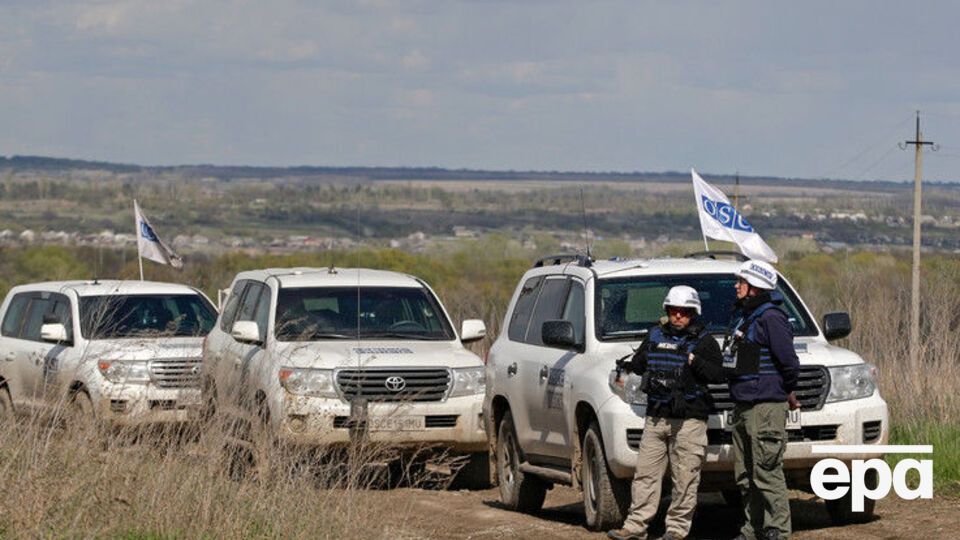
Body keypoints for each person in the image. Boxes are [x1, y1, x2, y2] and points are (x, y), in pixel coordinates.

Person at [608, 285, 726, 540]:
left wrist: (694, 360)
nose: (678, 316)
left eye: (684, 312)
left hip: (690, 421)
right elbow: (639, 365)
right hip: (656, 417)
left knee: (684, 479)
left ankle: (676, 530)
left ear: (693, 312)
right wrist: (626, 368)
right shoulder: (654, 335)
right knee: (645, 476)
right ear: (668, 310)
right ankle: (634, 528)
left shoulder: (704, 341)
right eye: (674, 311)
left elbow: (718, 375)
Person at [725, 260, 801, 540]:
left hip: (765, 407)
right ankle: (752, 529)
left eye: (740, 282)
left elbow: (789, 363)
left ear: (754, 287)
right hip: (744, 405)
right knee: (745, 476)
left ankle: (777, 530)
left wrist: (785, 391)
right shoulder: (746, 317)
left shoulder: (771, 318)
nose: (736, 286)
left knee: (766, 472)